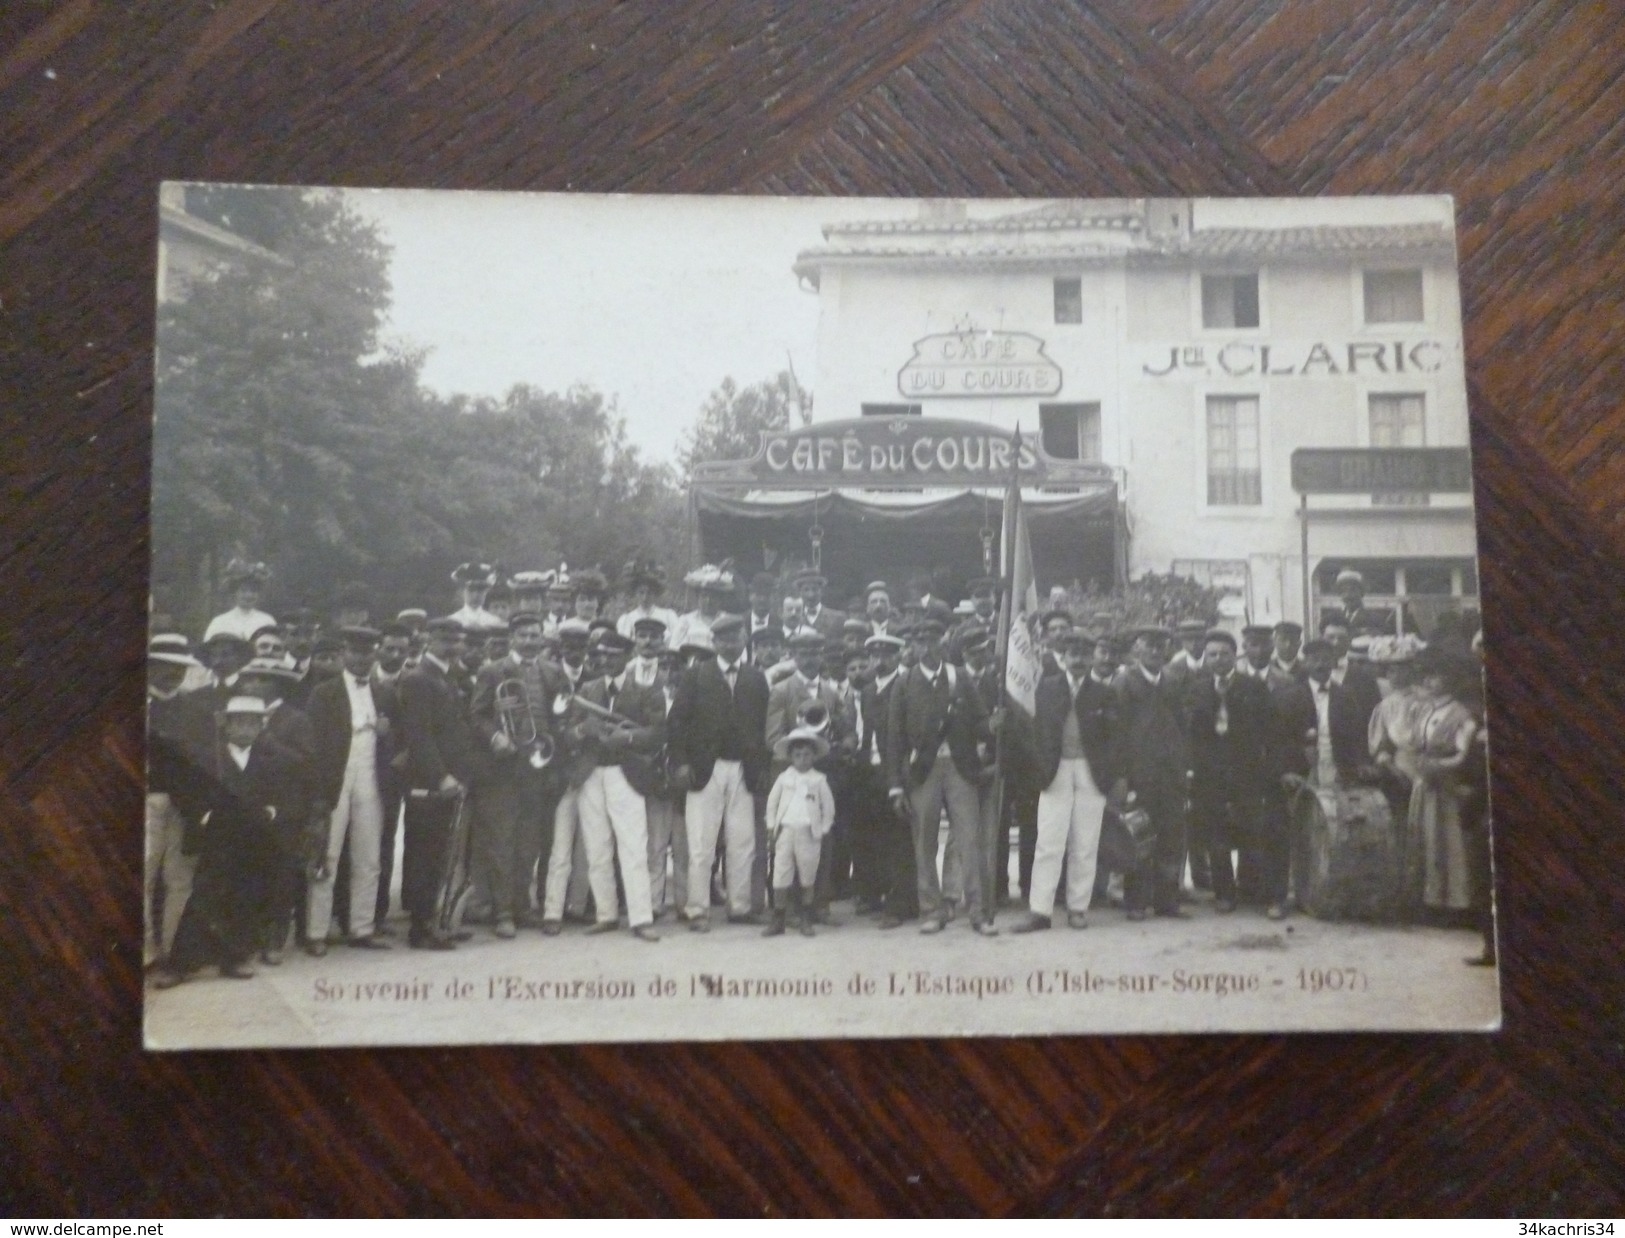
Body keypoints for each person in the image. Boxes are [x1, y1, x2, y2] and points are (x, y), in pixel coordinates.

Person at [154, 697, 301, 988]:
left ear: (261, 726)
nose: (245, 729)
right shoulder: (210, 757)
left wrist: (272, 810)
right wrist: (204, 815)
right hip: (219, 836)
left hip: (253, 836)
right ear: (226, 725)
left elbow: (284, 791)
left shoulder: (270, 758)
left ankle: (234, 957)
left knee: (244, 895)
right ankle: (183, 963)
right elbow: (188, 790)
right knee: (205, 894)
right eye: (238, 722)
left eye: (252, 723)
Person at [887, 610, 997, 936]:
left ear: (942, 641)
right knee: (925, 843)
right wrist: (895, 786)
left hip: (960, 767)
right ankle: (931, 910)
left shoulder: (959, 676)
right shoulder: (904, 682)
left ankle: (977, 910)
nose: (926, 647)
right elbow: (894, 739)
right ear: (913, 645)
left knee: (970, 840)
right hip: (923, 769)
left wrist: (992, 725)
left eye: (932, 640)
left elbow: (979, 721)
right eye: (920, 641)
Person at [468, 611, 570, 938]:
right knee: (502, 842)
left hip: (539, 767)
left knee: (530, 842)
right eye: (523, 635)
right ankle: (503, 912)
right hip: (503, 768)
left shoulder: (554, 672)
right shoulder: (492, 670)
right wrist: (495, 736)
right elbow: (477, 716)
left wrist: (557, 757)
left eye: (535, 635)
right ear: (512, 638)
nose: (529, 641)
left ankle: (522, 907)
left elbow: (561, 719)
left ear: (543, 638)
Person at [668, 614, 770, 931]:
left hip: (743, 768)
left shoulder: (756, 678)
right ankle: (697, 910)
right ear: (715, 643)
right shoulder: (696, 675)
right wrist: (682, 763)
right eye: (724, 638)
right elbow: (676, 723)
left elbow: (763, 726)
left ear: (744, 641)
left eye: (737, 637)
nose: (731, 644)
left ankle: (739, 907)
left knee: (743, 841)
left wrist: (761, 766)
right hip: (704, 769)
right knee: (702, 843)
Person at [565, 630, 664, 941]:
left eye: (612, 655)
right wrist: (583, 729)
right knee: (597, 848)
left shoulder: (647, 690)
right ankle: (606, 914)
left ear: (628, 656)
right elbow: (567, 733)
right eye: (601, 655)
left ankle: (641, 918)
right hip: (591, 772)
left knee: (634, 847)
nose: (605, 660)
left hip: (626, 772)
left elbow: (658, 735)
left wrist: (629, 737)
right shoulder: (586, 689)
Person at [1014, 630, 1115, 932]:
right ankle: (1040, 911)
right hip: (1055, 770)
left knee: (1085, 842)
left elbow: (1114, 739)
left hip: (1089, 771)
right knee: (1049, 841)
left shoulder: (1103, 692)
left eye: (1085, 654)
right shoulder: (1045, 689)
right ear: (1064, 656)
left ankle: (1077, 908)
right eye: (1074, 654)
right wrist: (1039, 769)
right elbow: (1031, 732)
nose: (1079, 660)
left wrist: (1109, 775)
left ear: (1092, 657)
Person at [303, 627, 395, 953]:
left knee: (369, 856)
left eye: (368, 652)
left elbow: (397, 743)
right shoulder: (324, 693)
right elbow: (312, 745)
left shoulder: (384, 691)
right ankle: (316, 932)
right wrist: (317, 791)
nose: (361, 658)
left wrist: (386, 734)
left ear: (375, 654)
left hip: (370, 776)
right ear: (344, 653)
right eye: (355, 652)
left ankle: (361, 927)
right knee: (327, 854)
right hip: (335, 777)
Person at [396, 618, 477, 950]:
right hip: (429, 781)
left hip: (452, 779)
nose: (452, 645)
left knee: (442, 853)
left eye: (458, 640)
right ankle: (420, 928)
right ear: (429, 639)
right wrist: (441, 776)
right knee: (424, 853)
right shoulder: (418, 678)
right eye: (445, 639)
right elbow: (419, 736)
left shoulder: (450, 676)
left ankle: (439, 920)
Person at [1184, 629, 1273, 914]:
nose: (1218, 659)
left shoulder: (1253, 687)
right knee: (1214, 832)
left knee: (1250, 828)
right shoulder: (1196, 688)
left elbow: (1264, 730)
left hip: (1245, 769)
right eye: (1212, 654)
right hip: (1208, 773)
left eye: (1224, 653)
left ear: (1235, 656)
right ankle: (1224, 893)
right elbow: (1191, 733)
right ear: (1205, 658)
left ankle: (1249, 886)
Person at [234, 656, 316, 963]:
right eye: (249, 678)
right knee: (251, 872)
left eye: (259, 678)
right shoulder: (239, 714)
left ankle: (274, 939)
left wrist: (267, 741)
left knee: (280, 874)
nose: (251, 684)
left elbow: (305, 764)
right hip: (250, 807)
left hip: (285, 810)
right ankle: (248, 936)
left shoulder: (296, 719)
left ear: (276, 685)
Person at [1109, 627, 1190, 921]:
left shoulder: (1172, 682)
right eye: (1149, 646)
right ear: (1137, 650)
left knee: (1171, 837)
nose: (1156, 652)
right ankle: (1136, 902)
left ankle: (1168, 901)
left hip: (1170, 776)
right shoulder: (1124, 683)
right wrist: (1122, 778)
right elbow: (1116, 734)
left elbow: (1182, 728)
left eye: (1160, 647)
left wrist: (1184, 769)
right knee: (1139, 837)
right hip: (1139, 776)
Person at [145, 633, 205, 970]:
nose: (175, 675)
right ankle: (144, 953)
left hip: (183, 801)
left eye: (181, 669)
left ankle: (173, 949)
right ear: (152, 667)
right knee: (144, 874)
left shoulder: (191, 708)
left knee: (179, 877)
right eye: (168, 667)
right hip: (147, 799)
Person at [1409, 647, 1478, 919]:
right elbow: (1415, 745)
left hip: (1446, 784)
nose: (1429, 682)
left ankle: (1453, 902)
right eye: (1426, 677)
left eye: (1435, 677)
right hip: (1424, 782)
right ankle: (1428, 900)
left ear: (1449, 679)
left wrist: (1440, 767)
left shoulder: (1460, 714)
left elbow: (1464, 754)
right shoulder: (1426, 709)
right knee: (1425, 838)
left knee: (1447, 839)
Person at [763, 728, 836, 937]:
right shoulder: (783, 778)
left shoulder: (819, 780)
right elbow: (772, 803)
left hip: (808, 833)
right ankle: (779, 918)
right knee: (781, 874)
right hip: (786, 831)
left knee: (807, 875)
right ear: (790, 757)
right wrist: (771, 827)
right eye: (797, 755)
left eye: (806, 755)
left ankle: (806, 918)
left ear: (813, 756)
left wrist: (822, 829)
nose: (802, 760)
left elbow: (828, 808)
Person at [203, 559, 276, 643]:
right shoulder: (219, 622)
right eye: (243, 591)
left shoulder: (267, 621)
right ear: (235, 592)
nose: (249, 595)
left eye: (253, 591)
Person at [671, 564, 735, 652]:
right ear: (698, 597)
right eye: (704, 596)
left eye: (713, 597)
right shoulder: (685, 620)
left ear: (720, 599)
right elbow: (674, 648)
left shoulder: (728, 620)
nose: (708, 601)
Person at [616, 560, 680, 640]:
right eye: (641, 592)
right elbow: (624, 643)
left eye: (649, 593)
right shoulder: (627, 619)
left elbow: (677, 641)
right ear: (635, 593)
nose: (645, 597)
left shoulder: (668, 616)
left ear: (655, 594)